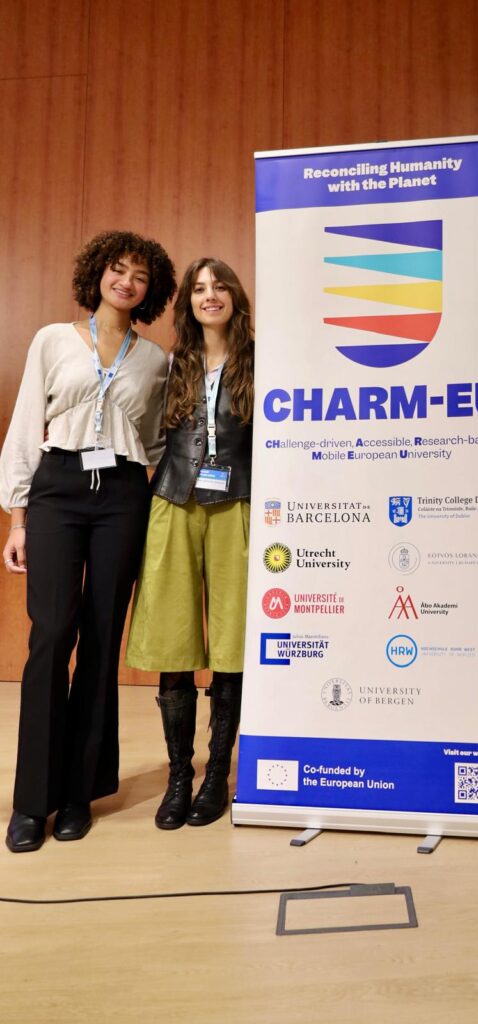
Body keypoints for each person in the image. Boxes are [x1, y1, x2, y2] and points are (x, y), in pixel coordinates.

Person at [0, 230, 176, 853]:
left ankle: (79, 793)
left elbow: (155, 443)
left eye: (139, 276)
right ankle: (31, 801)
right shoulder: (53, 338)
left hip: (123, 494)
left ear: (150, 290)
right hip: (58, 487)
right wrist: (16, 518)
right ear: (97, 274)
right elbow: (27, 422)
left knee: (103, 636)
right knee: (51, 635)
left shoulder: (155, 359)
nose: (126, 282)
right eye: (117, 270)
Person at [126, 258, 254, 830]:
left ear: (235, 296)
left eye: (219, 285)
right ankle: (180, 775)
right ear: (187, 302)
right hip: (173, 502)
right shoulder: (169, 363)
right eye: (199, 288)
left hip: (240, 504)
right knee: (174, 640)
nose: (210, 295)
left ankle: (217, 775)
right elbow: (147, 435)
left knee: (232, 642)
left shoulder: (263, 361)